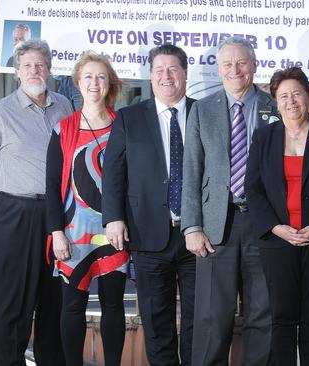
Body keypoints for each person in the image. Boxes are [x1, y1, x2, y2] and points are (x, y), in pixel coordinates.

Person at [0, 39, 72, 366]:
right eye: (27, 65)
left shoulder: (65, 107)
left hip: (59, 215)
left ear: (50, 69)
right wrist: (11, 197)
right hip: (15, 214)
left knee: (53, 300)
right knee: (12, 303)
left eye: (40, 65)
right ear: (17, 72)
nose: (34, 71)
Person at [181, 36, 278, 366]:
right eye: (227, 64)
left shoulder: (274, 106)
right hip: (214, 227)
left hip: (266, 224)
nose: (235, 70)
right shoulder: (201, 109)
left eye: (241, 62)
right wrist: (192, 226)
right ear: (218, 70)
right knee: (211, 319)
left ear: (253, 65)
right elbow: (191, 171)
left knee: (262, 316)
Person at [102, 44, 196, 366]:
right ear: (150, 76)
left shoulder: (204, 113)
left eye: (173, 69)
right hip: (147, 234)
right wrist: (113, 217)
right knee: (157, 323)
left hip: (197, 236)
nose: (166, 76)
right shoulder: (129, 118)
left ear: (185, 73)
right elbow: (113, 172)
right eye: (159, 70)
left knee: (199, 321)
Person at [245, 67, 309, 366]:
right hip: (278, 241)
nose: (291, 101)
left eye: (297, 93)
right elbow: (254, 190)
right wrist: (276, 228)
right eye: (283, 96)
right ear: (275, 101)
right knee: (283, 317)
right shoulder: (264, 137)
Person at [46, 51, 127, 366]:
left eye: (101, 76)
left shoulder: (125, 125)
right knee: (72, 306)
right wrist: (56, 233)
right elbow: (52, 185)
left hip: (114, 229)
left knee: (114, 305)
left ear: (110, 84)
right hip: (73, 230)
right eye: (89, 77)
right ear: (78, 83)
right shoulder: (63, 128)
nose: (95, 82)